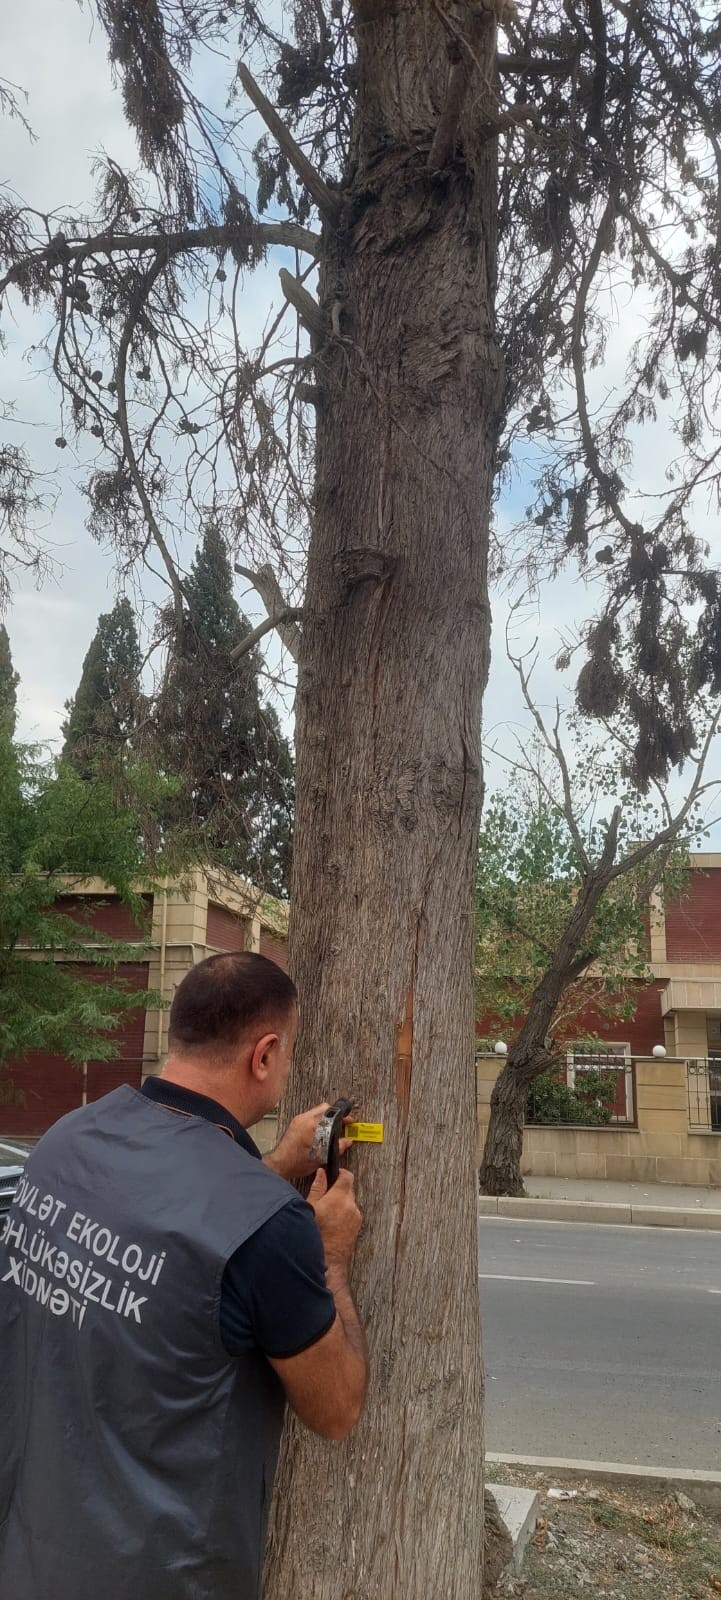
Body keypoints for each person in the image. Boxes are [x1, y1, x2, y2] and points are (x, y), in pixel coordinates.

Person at [0, 950, 368, 1600]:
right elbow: (335, 1409)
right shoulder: (273, 1229)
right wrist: (330, 1255)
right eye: (286, 1058)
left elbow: (178, 1226)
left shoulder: (66, 1141)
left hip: (32, 1544)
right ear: (265, 1053)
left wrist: (279, 1163)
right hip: (161, 1572)